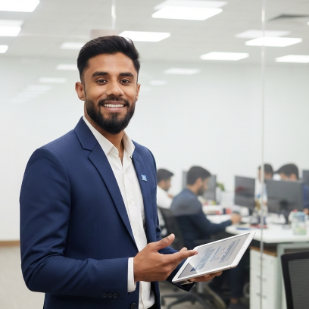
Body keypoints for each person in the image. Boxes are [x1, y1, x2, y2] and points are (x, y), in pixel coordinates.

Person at [19, 36, 221, 309]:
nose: (115, 90)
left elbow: (148, 243)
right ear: (81, 89)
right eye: (101, 80)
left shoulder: (144, 158)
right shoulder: (53, 161)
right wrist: (131, 271)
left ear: (137, 90)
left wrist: (187, 267)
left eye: (125, 81)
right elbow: (39, 269)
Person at [171, 166, 247, 309]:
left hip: (187, 243)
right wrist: (231, 220)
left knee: (227, 242)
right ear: (199, 181)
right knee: (237, 251)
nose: (206, 187)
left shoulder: (180, 196)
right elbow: (209, 228)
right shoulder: (192, 201)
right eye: (206, 183)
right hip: (196, 246)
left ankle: (216, 287)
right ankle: (235, 302)